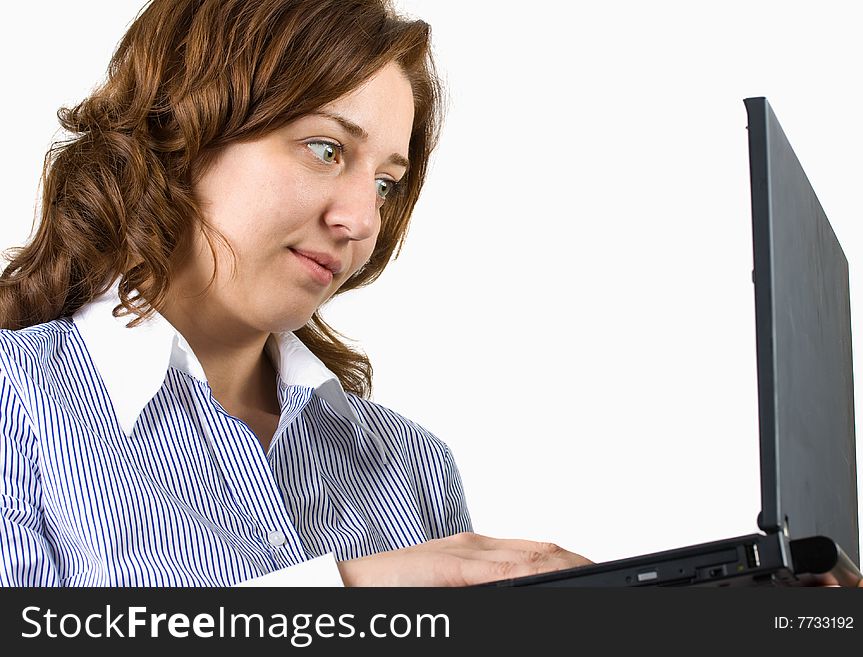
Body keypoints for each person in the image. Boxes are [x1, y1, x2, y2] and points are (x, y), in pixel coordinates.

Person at [0, 0, 592, 586]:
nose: (362, 221)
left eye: (386, 184)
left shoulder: (413, 466)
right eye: (325, 149)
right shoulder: (16, 402)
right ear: (182, 132)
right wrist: (341, 596)